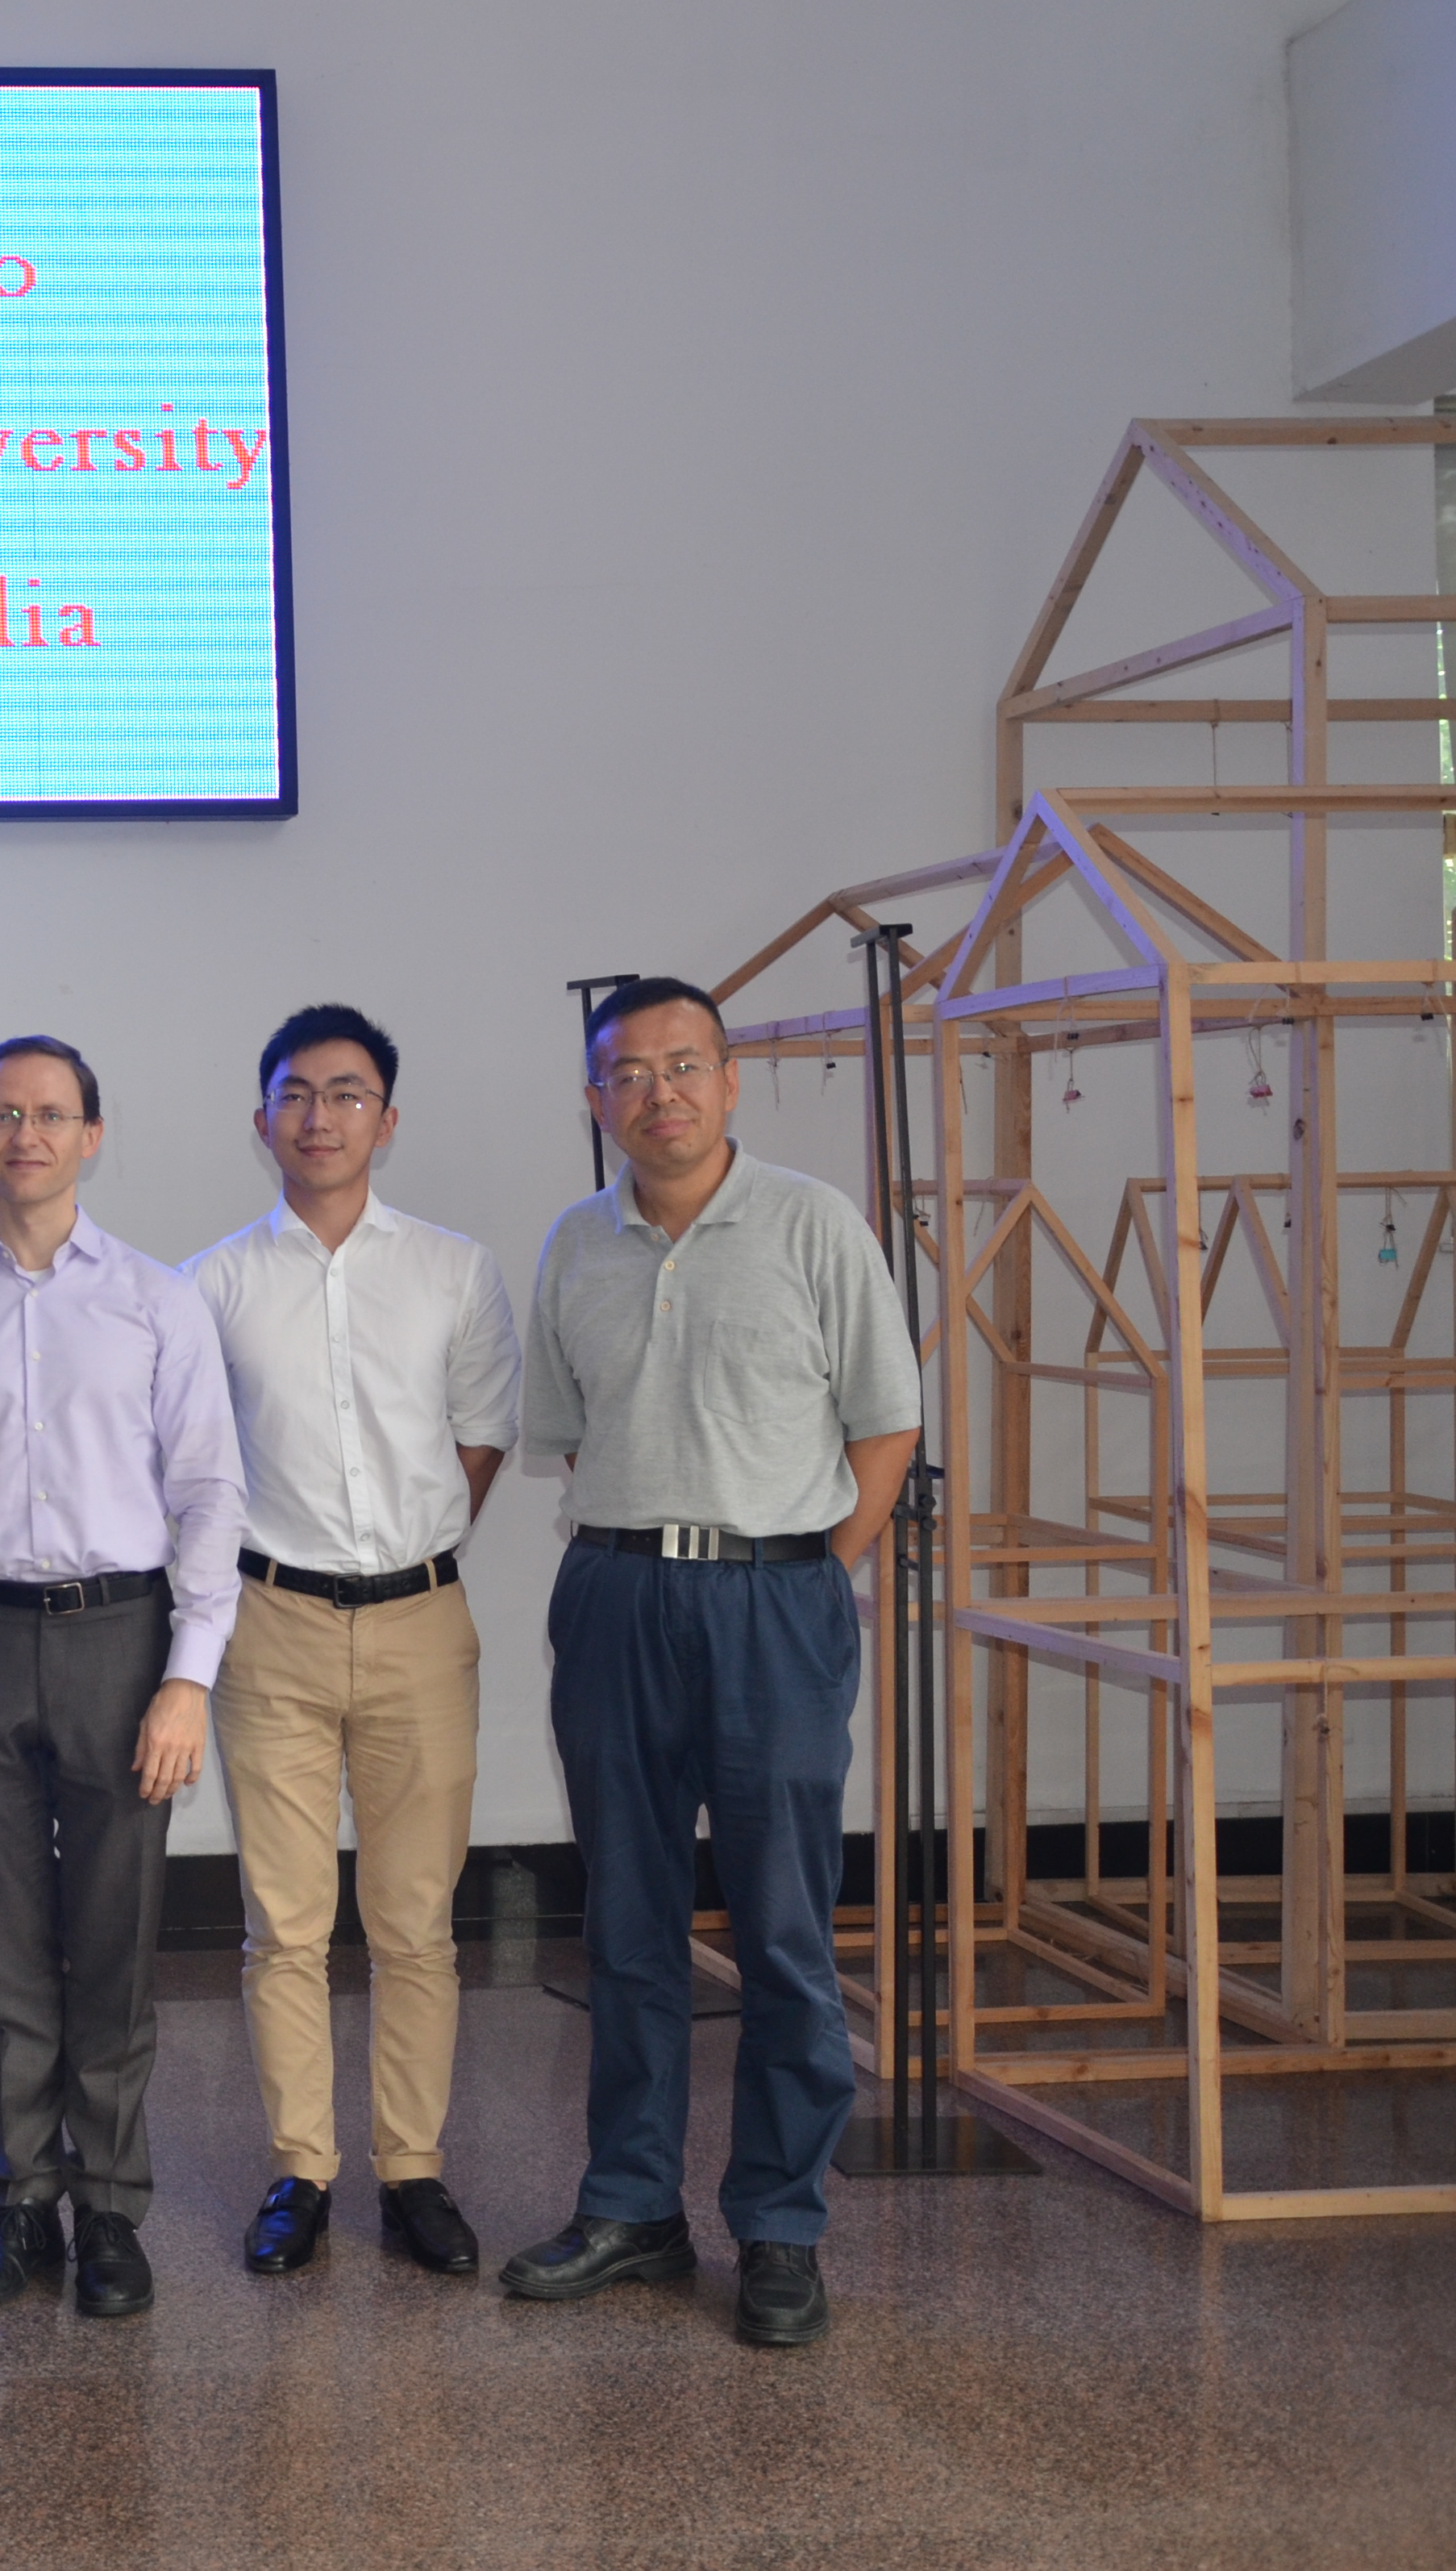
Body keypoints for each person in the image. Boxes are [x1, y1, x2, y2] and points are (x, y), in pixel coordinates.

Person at [501, 976, 919, 2349]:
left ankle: (781, 2226)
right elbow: (571, 1427)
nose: (659, 1093)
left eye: (684, 1066)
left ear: (731, 1082)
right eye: (628, 1073)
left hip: (773, 1602)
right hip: (616, 1596)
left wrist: (807, 1577)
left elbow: (886, 1426)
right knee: (630, 1925)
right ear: (595, 1097)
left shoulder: (814, 1224)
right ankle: (632, 2207)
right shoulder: (577, 1243)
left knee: (784, 1931)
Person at [0, 1036, 241, 2319]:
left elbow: (209, 1495)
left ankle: (111, 2208)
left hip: (121, 1642)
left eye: (52, 1113)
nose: (27, 1134)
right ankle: (23, 2197)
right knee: (4, 1942)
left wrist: (189, 1677)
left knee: (116, 1941)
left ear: (91, 1136)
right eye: (4, 1113)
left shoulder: (157, 1303)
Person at [185, 1005, 519, 2282]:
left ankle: (413, 2168)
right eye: (295, 1094)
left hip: (420, 1624)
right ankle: (301, 2171)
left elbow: (479, 1439)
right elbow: (193, 1466)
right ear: (261, 1118)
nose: (319, 1116)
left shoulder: (454, 1271)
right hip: (268, 1624)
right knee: (284, 1923)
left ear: (387, 1118)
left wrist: (404, 1559)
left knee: (416, 1922)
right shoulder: (210, 1286)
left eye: (345, 1094)